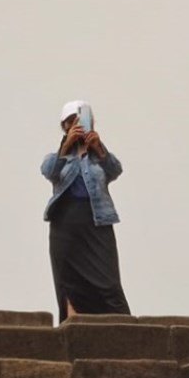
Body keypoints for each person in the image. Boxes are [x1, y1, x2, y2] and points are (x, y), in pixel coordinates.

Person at [40, 100, 131, 323]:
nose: (77, 127)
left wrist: (98, 147)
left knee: (108, 281)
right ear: (65, 126)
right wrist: (66, 146)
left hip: (96, 221)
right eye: (72, 123)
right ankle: (74, 328)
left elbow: (115, 170)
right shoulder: (59, 158)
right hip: (66, 223)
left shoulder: (97, 157)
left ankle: (121, 329)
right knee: (69, 282)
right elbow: (49, 171)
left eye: (81, 122)